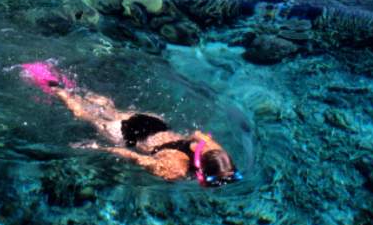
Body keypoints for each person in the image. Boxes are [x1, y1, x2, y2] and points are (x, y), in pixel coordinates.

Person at [21, 61, 242, 187]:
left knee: (108, 107)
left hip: (154, 122)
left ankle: (72, 86)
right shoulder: (174, 171)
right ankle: (53, 85)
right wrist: (98, 147)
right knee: (81, 114)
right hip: (127, 134)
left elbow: (196, 133)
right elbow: (134, 156)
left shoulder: (213, 150)